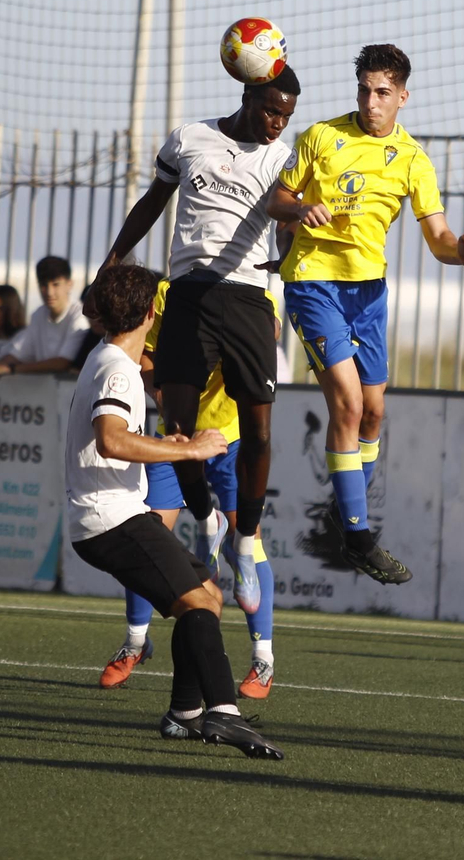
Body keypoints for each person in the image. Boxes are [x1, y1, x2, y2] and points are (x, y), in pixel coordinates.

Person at [266, 44, 464, 583]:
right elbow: (277, 200)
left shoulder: (413, 159)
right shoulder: (320, 136)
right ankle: (360, 536)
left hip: (368, 293)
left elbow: (437, 236)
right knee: (344, 403)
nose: (370, 101)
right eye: (364, 90)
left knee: (372, 412)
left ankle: (348, 511)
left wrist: (460, 250)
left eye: (382, 92)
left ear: (402, 97)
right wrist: (298, 209)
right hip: (313, 281)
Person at [65, 263, 282, 759]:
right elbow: (112, 439)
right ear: (151, 311)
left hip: (113, 515)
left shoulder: (109, 357)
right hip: (109, 521)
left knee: (207, 592)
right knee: (201, 603)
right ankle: (222, 714)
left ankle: (184, 712)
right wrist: (190, 450)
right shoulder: (118, 367)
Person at [102, 64, 300, 607]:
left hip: (248, 298)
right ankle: (205, 519)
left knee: (258, 431)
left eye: (286, 115)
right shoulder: (190, 139)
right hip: (188, 294)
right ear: (247, 93)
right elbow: (151, 202)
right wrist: (114, 259)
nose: (277, 123)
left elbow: (284, 222)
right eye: (269, 110)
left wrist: (295, 238)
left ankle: (244, 540)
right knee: (179, 435)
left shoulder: (284, 160)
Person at [0, 256, 90, 387]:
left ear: (69, 284)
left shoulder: (80, 316)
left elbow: (62, 363)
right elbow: (19, 353)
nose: (49, 292)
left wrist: (11, 369)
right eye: (44, 285)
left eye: (55, 284)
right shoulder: (38, 315)